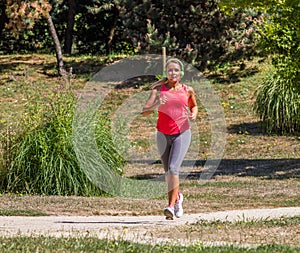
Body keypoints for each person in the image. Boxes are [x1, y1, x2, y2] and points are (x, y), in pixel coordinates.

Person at [141, 58, 198, 220]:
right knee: (168, 173)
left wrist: (193, 115)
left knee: (173, 169)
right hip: (163, 135)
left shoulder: (187, 90)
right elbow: (144, 112)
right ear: (166, 72)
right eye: (170, 70)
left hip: (182, 133)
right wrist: (157, 103)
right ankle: (178, 198)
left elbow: (194, 106)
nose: (173, 73)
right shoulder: (158, 89)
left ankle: (171, 207)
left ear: (181, 73)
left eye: (176, 70)